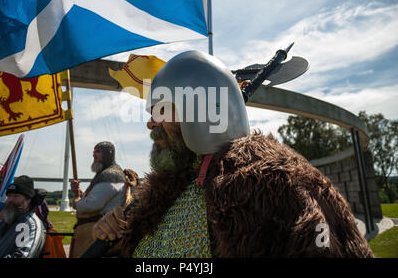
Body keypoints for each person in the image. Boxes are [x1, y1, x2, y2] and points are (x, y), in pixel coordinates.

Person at [92, 50, 374, 257]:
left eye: (162, 109)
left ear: (202, 110)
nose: (151, 122)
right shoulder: (164, 194)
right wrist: (118, 239)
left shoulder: (273, 186)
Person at [69, 141, 139, 258]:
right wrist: (78, 192)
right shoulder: (104, 174)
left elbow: (93, 204)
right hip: (90, 233)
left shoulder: (111, 175)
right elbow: (94, 198)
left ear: (109, 153)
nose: (93, 155)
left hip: (98, 234)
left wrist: (76, 201)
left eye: (98, 151)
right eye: (93, 152)